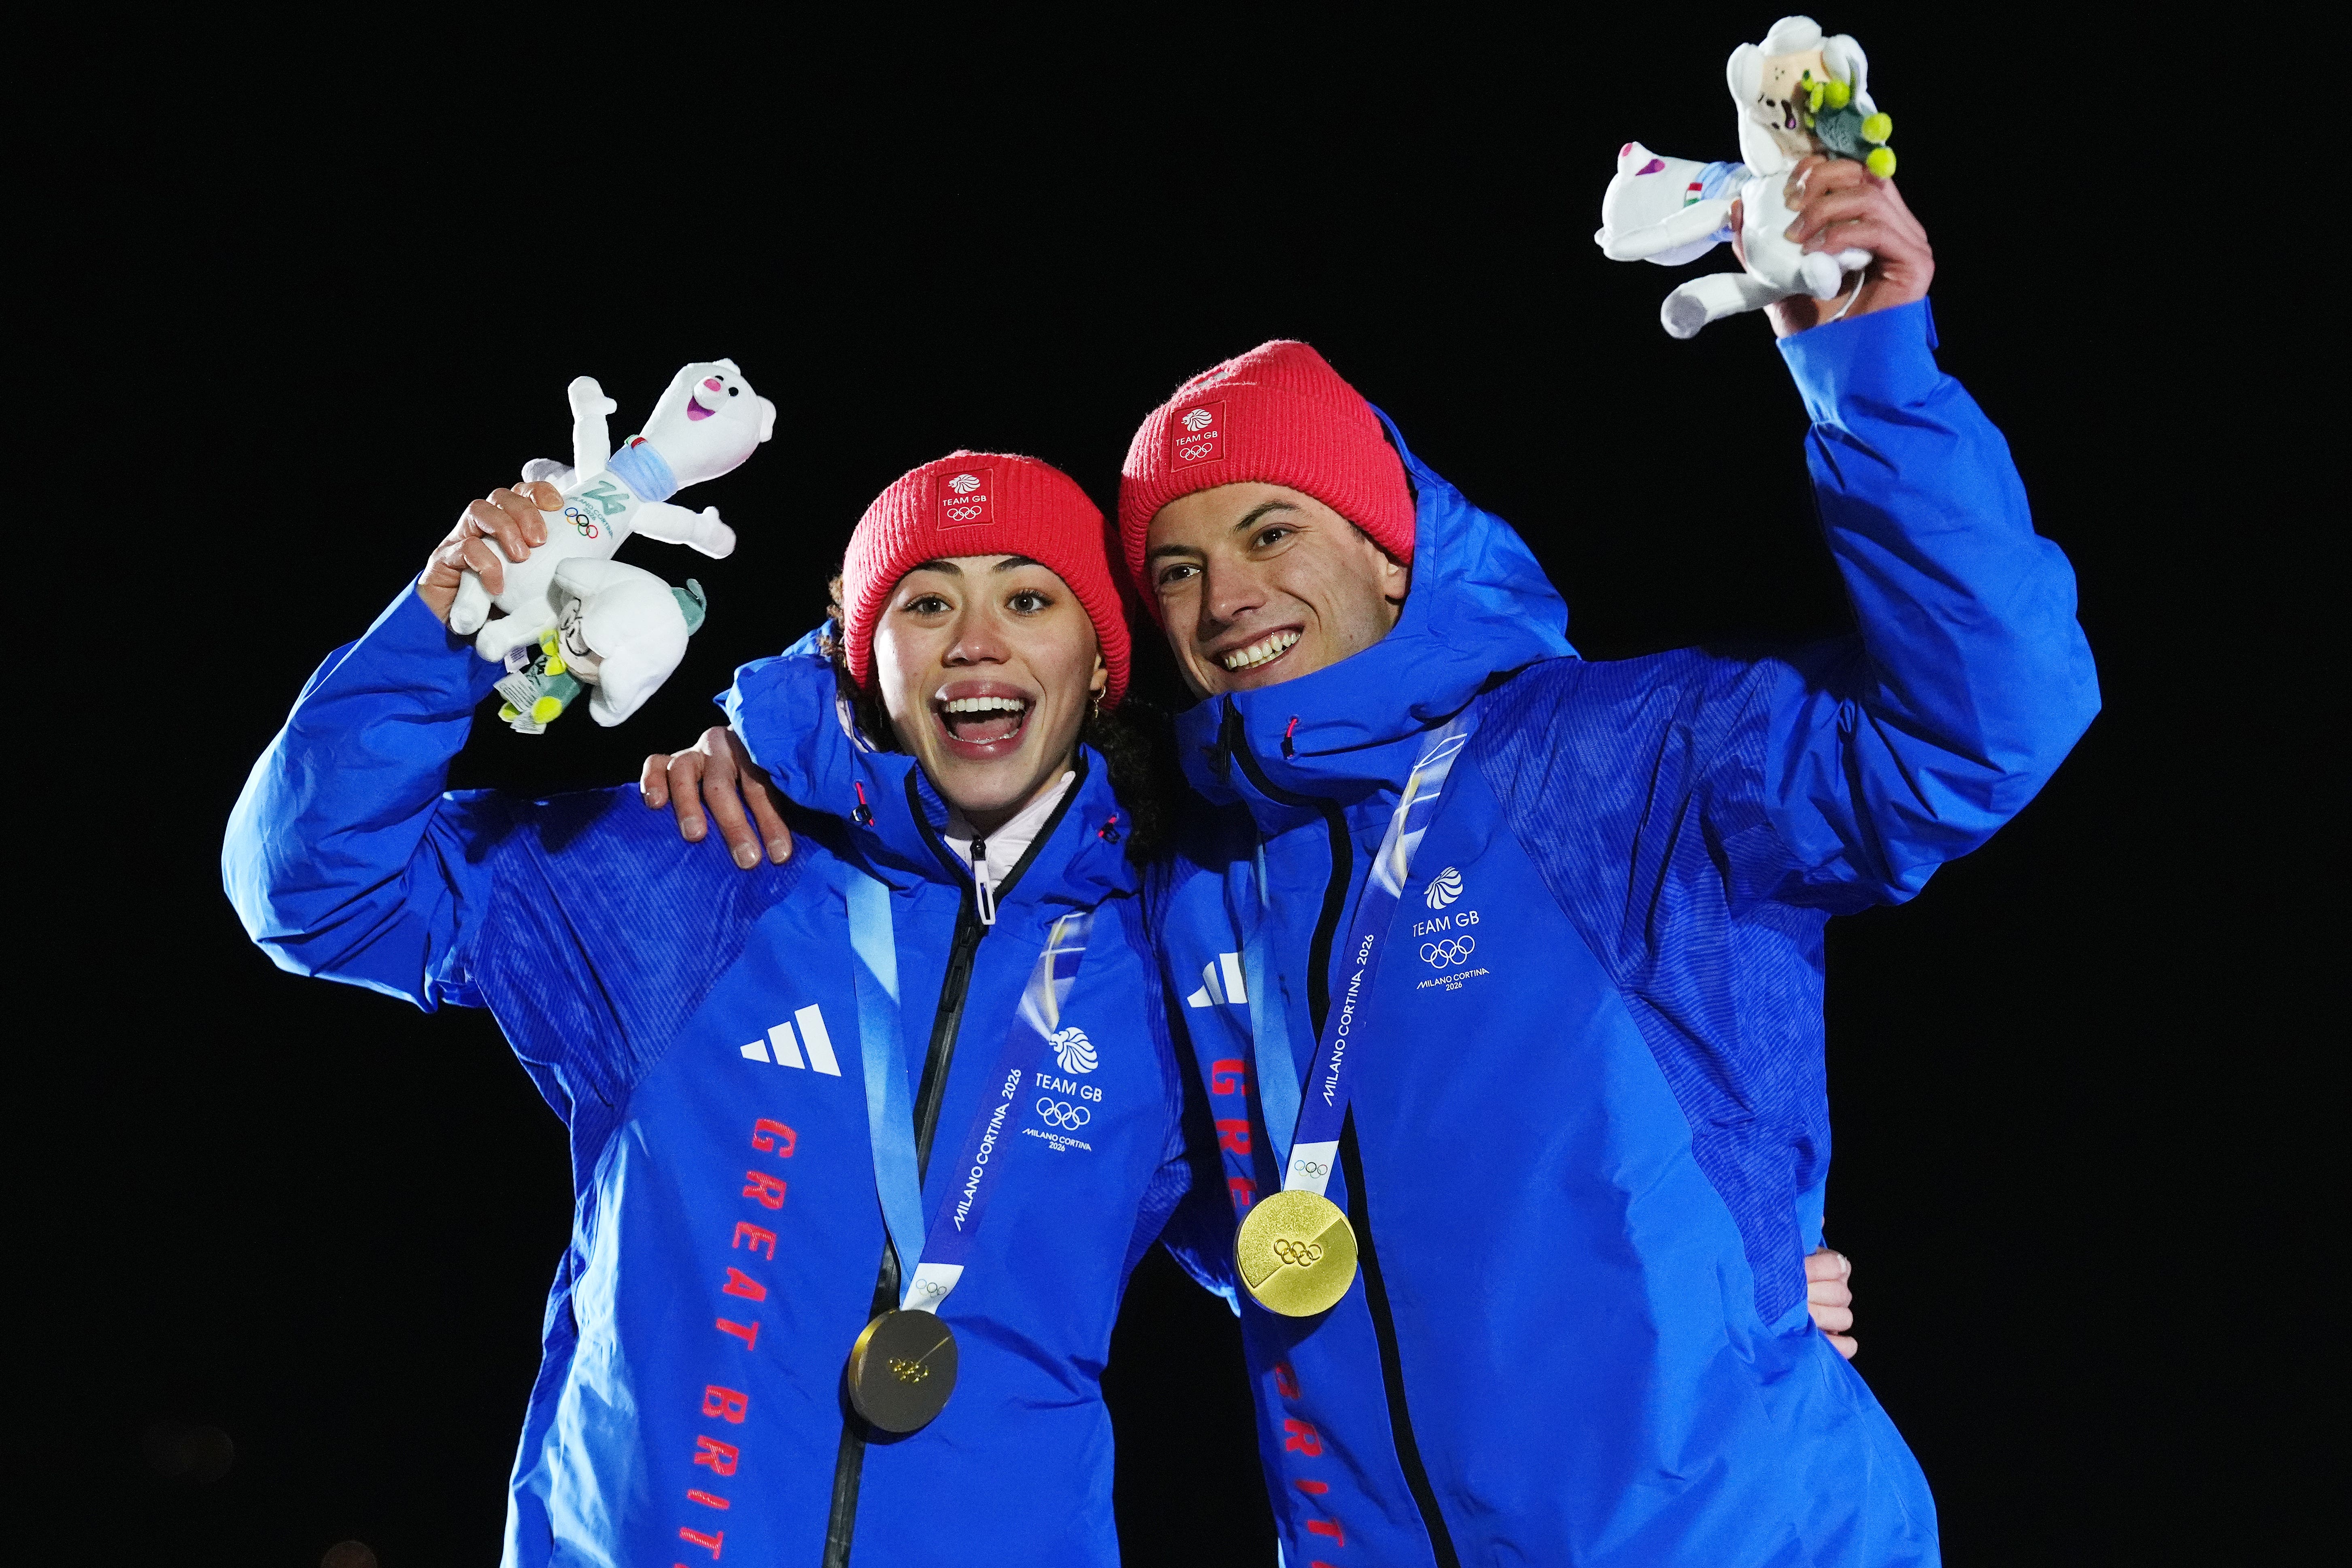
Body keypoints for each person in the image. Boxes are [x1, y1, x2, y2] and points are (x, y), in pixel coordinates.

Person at [651, 155, 2093, 1563]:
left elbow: (1986, 720)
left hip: (1717, 1527)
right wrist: (772, 728)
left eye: (1270, 531)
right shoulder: (1188, 868)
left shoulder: (1617, 755)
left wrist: (1874, 377)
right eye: (1177, 568)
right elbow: (1195, 1187)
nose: (1227, 598)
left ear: (1389, 552)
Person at [223, 451, 1204, 1567]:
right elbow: (317, 892)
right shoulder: (697, 865)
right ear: (861, 653)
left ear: (1097, 662)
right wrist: (443, 633)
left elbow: (1279, 1239)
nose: (975, 641)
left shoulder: (1170, 947)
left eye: (1027, 598)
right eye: (927, 602)